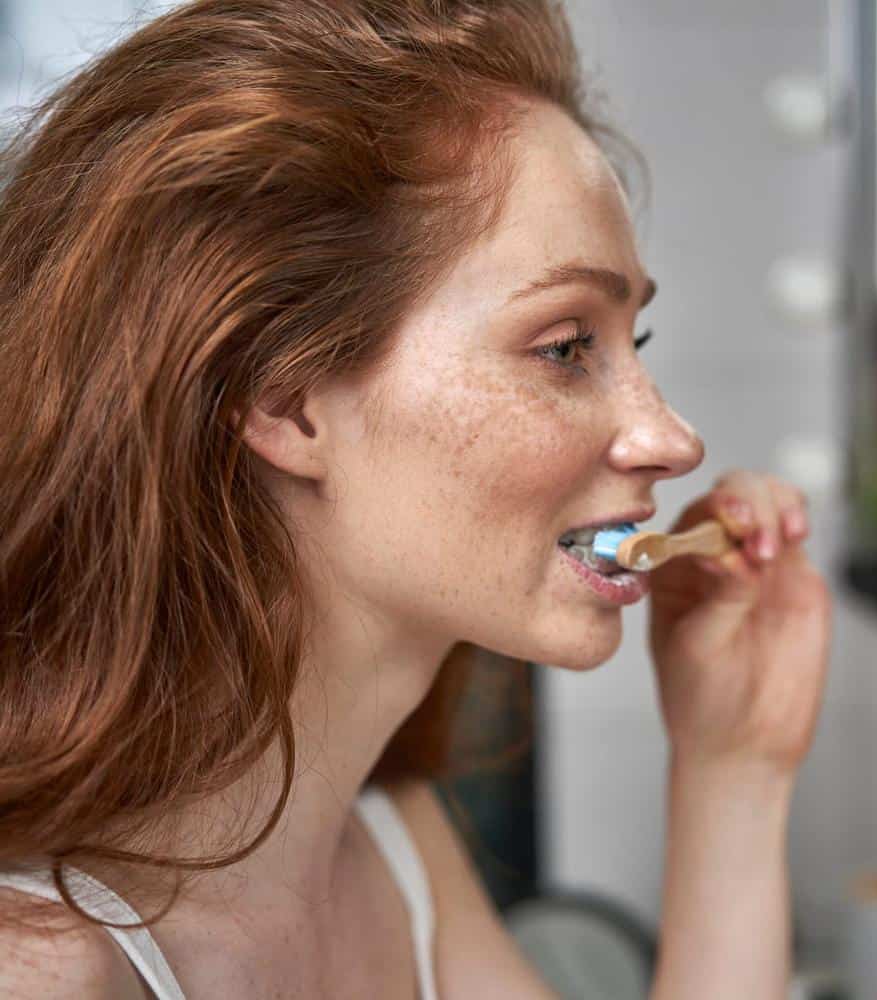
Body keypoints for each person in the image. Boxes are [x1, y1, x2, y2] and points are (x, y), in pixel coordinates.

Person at [0, 1, 834, 997]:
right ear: (287, 401)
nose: (674, 440)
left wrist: (734, 767)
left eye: (632, 343)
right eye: (567, 347)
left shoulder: (396, 851)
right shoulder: (45, 973)